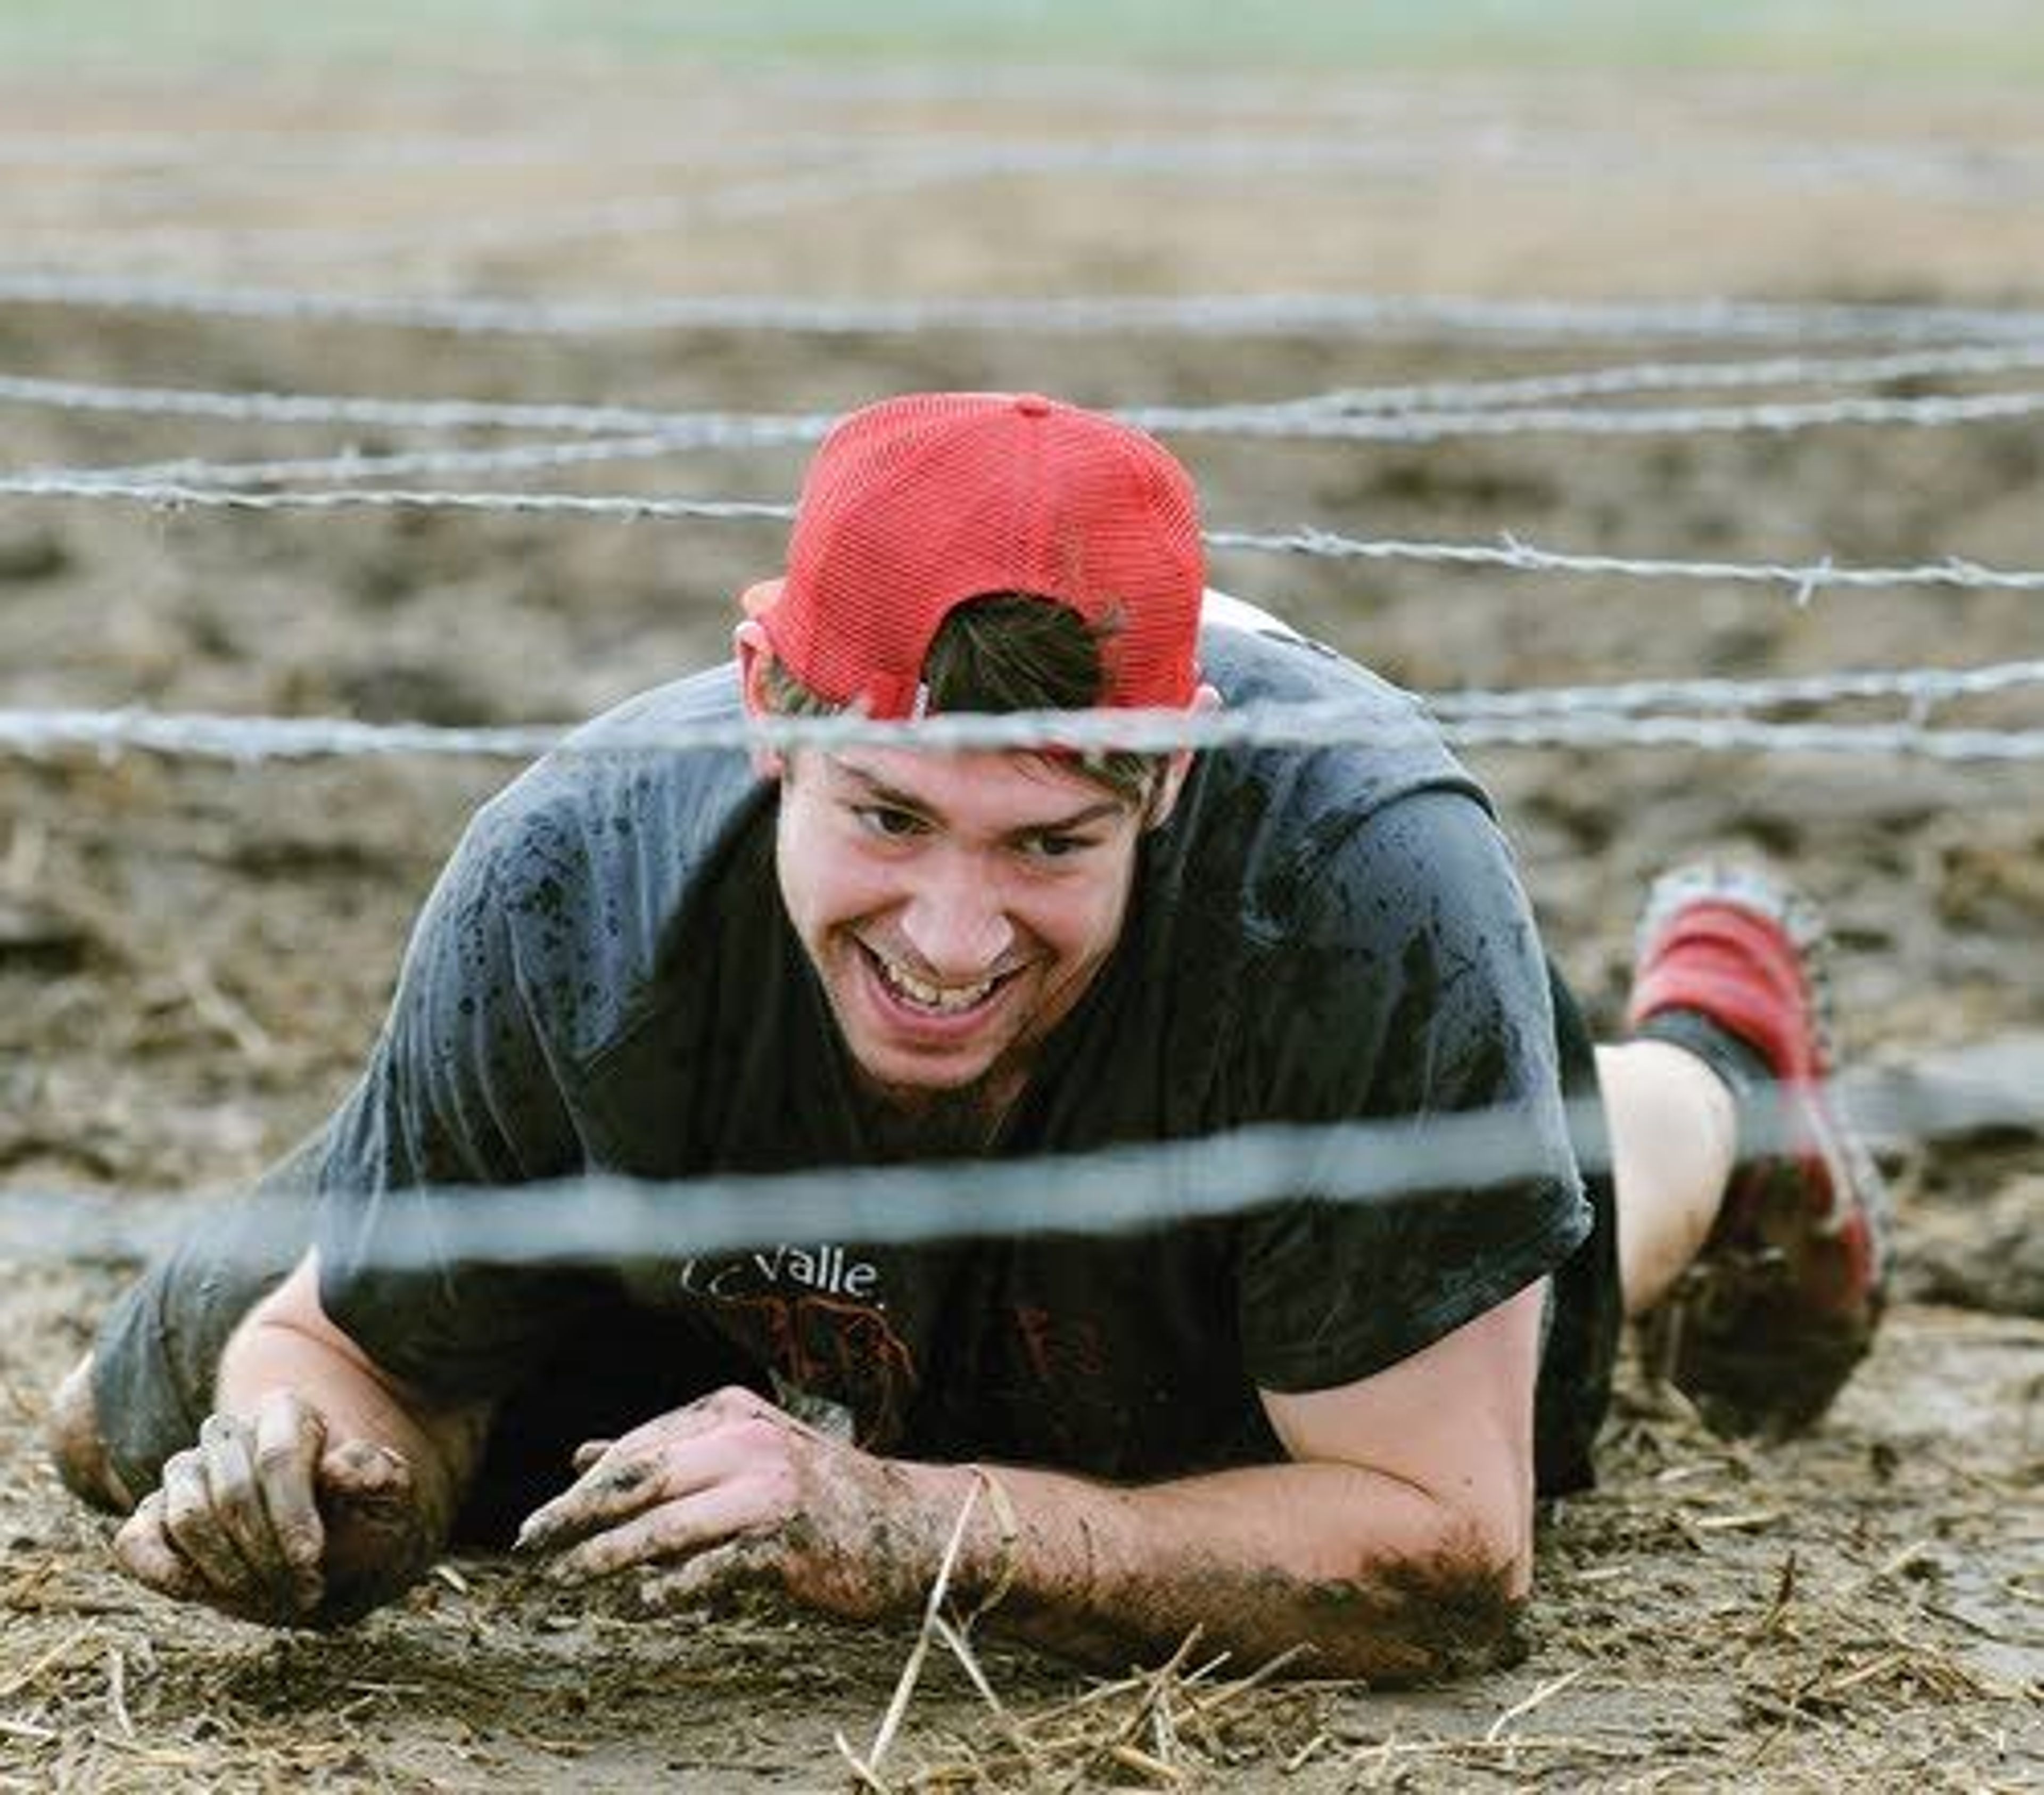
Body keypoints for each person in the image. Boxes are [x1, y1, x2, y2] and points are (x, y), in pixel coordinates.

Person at [45, 392, 1888, 1682]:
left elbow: (1440, 1548)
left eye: (1051, 845)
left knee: (1568, 1212)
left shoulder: (1358, 885)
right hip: (756, 1294)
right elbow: (356, 1352)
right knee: (122, 1419)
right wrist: (320, 1479)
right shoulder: (575, 877)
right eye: (889, 819)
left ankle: (1721, 1063)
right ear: (769, 723)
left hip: (1219, 1334)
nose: (948, 936)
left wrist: (906, 1525)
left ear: (1167, 790)